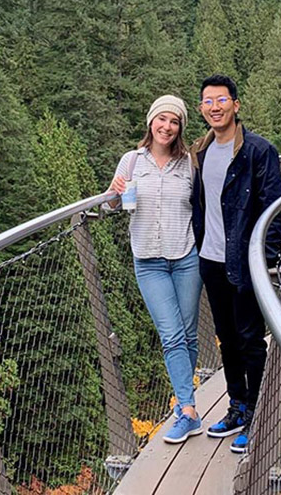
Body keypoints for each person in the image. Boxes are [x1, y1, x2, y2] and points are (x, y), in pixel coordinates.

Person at [190, 74, 281, 454]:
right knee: (227, 340)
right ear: (202, 109)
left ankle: (257, 415)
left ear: (236, 104)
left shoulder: (258, 151)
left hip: (244, 260)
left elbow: (274, 208)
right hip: (210, 259)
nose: (215, 107)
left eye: (221, 100)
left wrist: (265, 260)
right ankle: (237, 406)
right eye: (208, 102)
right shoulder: (200, 151)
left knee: (249, 339)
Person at [108, 95, 204, 444]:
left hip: (186, 256)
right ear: (150, 122)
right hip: (148, 260)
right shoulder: (131, 161)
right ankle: (189, 408)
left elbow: (203, 205)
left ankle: (184, 404)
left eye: (174, 121)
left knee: (189, 335)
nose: (166, 127)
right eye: (161, 119)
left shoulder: (189, 163)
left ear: (180, 128)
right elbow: (112, 204)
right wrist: (113, 193)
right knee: (172, 334)